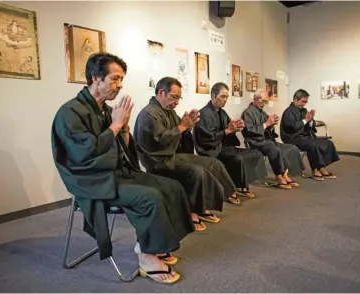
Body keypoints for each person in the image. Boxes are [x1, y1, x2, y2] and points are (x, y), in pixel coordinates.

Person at [51, 53, 195, 284]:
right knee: (150, 197)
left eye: (121, 80)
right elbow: (83, 154)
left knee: (172, 187)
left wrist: (124, 129)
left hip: (115, 172)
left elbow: (121, 151)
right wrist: (116, 125)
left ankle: (155, 244)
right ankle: (146, 256)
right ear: (96, 78)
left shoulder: (105, 110)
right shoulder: (69, 113)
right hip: (91, 180)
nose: (120, 85)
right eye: (115, 79)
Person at [133, 77, 241, 232]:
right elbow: (157, 141)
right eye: (174, 97)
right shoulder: (148, 113)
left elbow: (181, 132)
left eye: (179, 98)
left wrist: (187, 126)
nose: (177, 102)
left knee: (212, 163)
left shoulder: (168, 111)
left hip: (173, 154)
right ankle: (190, 211)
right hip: (158, 159)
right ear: (162, 92)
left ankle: (209, 202)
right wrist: (182, 127)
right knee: (195, 171)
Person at [193, 82, 267, 196]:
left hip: (223, 146)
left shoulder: (222, 112)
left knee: (254, 153)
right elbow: (206, 139)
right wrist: (227, 131)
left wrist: (237, 126)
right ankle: (231, 189)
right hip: (211, 149)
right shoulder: (203, 114)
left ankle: (241, 185)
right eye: (222, 96)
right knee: (237, 158)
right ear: (213, 96)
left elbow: (229, 127)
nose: (225, 100)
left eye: (227, 97)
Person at [241, 89, 305, 187]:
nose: (264, 104)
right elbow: (250, 131)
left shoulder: (261, 112)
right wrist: (267, 124)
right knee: (273, 148)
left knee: (290, 148)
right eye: (263, 101)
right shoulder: (247, 113)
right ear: (255, 99)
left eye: (266, 101)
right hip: (256, 142)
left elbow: (267, 127)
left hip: (266, 140)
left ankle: (285, 173)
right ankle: (278, 175)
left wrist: (272, 124)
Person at [280, 89, 340, 181]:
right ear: (295, 99)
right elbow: (291, 128)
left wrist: (311, 121)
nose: (304, 104)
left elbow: (310, 126)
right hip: (293, 138)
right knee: (312, 144)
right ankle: (315, 170)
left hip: (305, 137)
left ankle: (321, 167)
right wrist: (305, 120)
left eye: (306, 102)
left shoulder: (304, 110)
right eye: (303, 101)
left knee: (327, 143)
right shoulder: (288, 112)